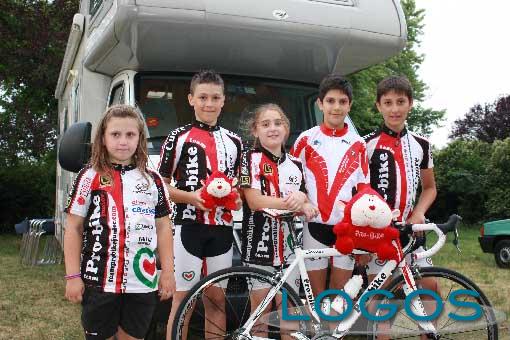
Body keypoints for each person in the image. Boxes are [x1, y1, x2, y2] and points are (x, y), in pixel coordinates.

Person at [63, 104, 175, 340]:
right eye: (115, 134)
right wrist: (73, 276)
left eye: (130, 134)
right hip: (99, 282)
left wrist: (167, 272)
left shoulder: (152, 180)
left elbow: (164, 227)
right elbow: (73, 227)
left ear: (140, 139)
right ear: (103, 138)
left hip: (142, 282)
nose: (123, 141)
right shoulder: (89, 176)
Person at [157, 70, 243, 340]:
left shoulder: (235, 141)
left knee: (217, 300)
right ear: (191, 99)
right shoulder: (178, 137)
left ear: (223, 101)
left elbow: (237, 187)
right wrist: (191, 198)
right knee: (183, 300)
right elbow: (161, 186)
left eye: (215, 97)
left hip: (222, 230)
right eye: (203, 97)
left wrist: (237, 198)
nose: (209, 103)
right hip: (188, 227)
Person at [364, 75, 437, 339]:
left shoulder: (422, 144)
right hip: (380, 235)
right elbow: (360, 192)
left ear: (410, 104)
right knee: (382, 304)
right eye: (388, 102)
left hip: (413, 231)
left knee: (430, 286)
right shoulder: (366, 144)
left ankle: (426, 334)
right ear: (378, 106)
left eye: (400, 102)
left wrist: (418, 212)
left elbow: (430, 188)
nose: (394, 108)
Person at [240, 103, 319, 338]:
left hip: (290, 247)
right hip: (258, 244)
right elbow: (254, 201)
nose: (272, 128)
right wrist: (294, 202)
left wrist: (305, 201)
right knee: (261, 313)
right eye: (265, 124)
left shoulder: (296, 164)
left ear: (286, 128)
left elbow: (306, 200)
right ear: (255, 131)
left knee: (289, 314)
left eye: (278, 123)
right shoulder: (248, 158)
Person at [290, 74, 370, 301]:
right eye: (331, 101)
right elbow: (292, 181)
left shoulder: (359, 144)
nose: (336, 107)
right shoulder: (305, 139)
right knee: (317, 299)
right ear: (320, 103)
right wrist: (302, 201)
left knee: (340, 300)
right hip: (314, 227)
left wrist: (363, 237)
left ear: (350, 105)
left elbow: (364, 192)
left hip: (346, 229)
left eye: (342, 102)